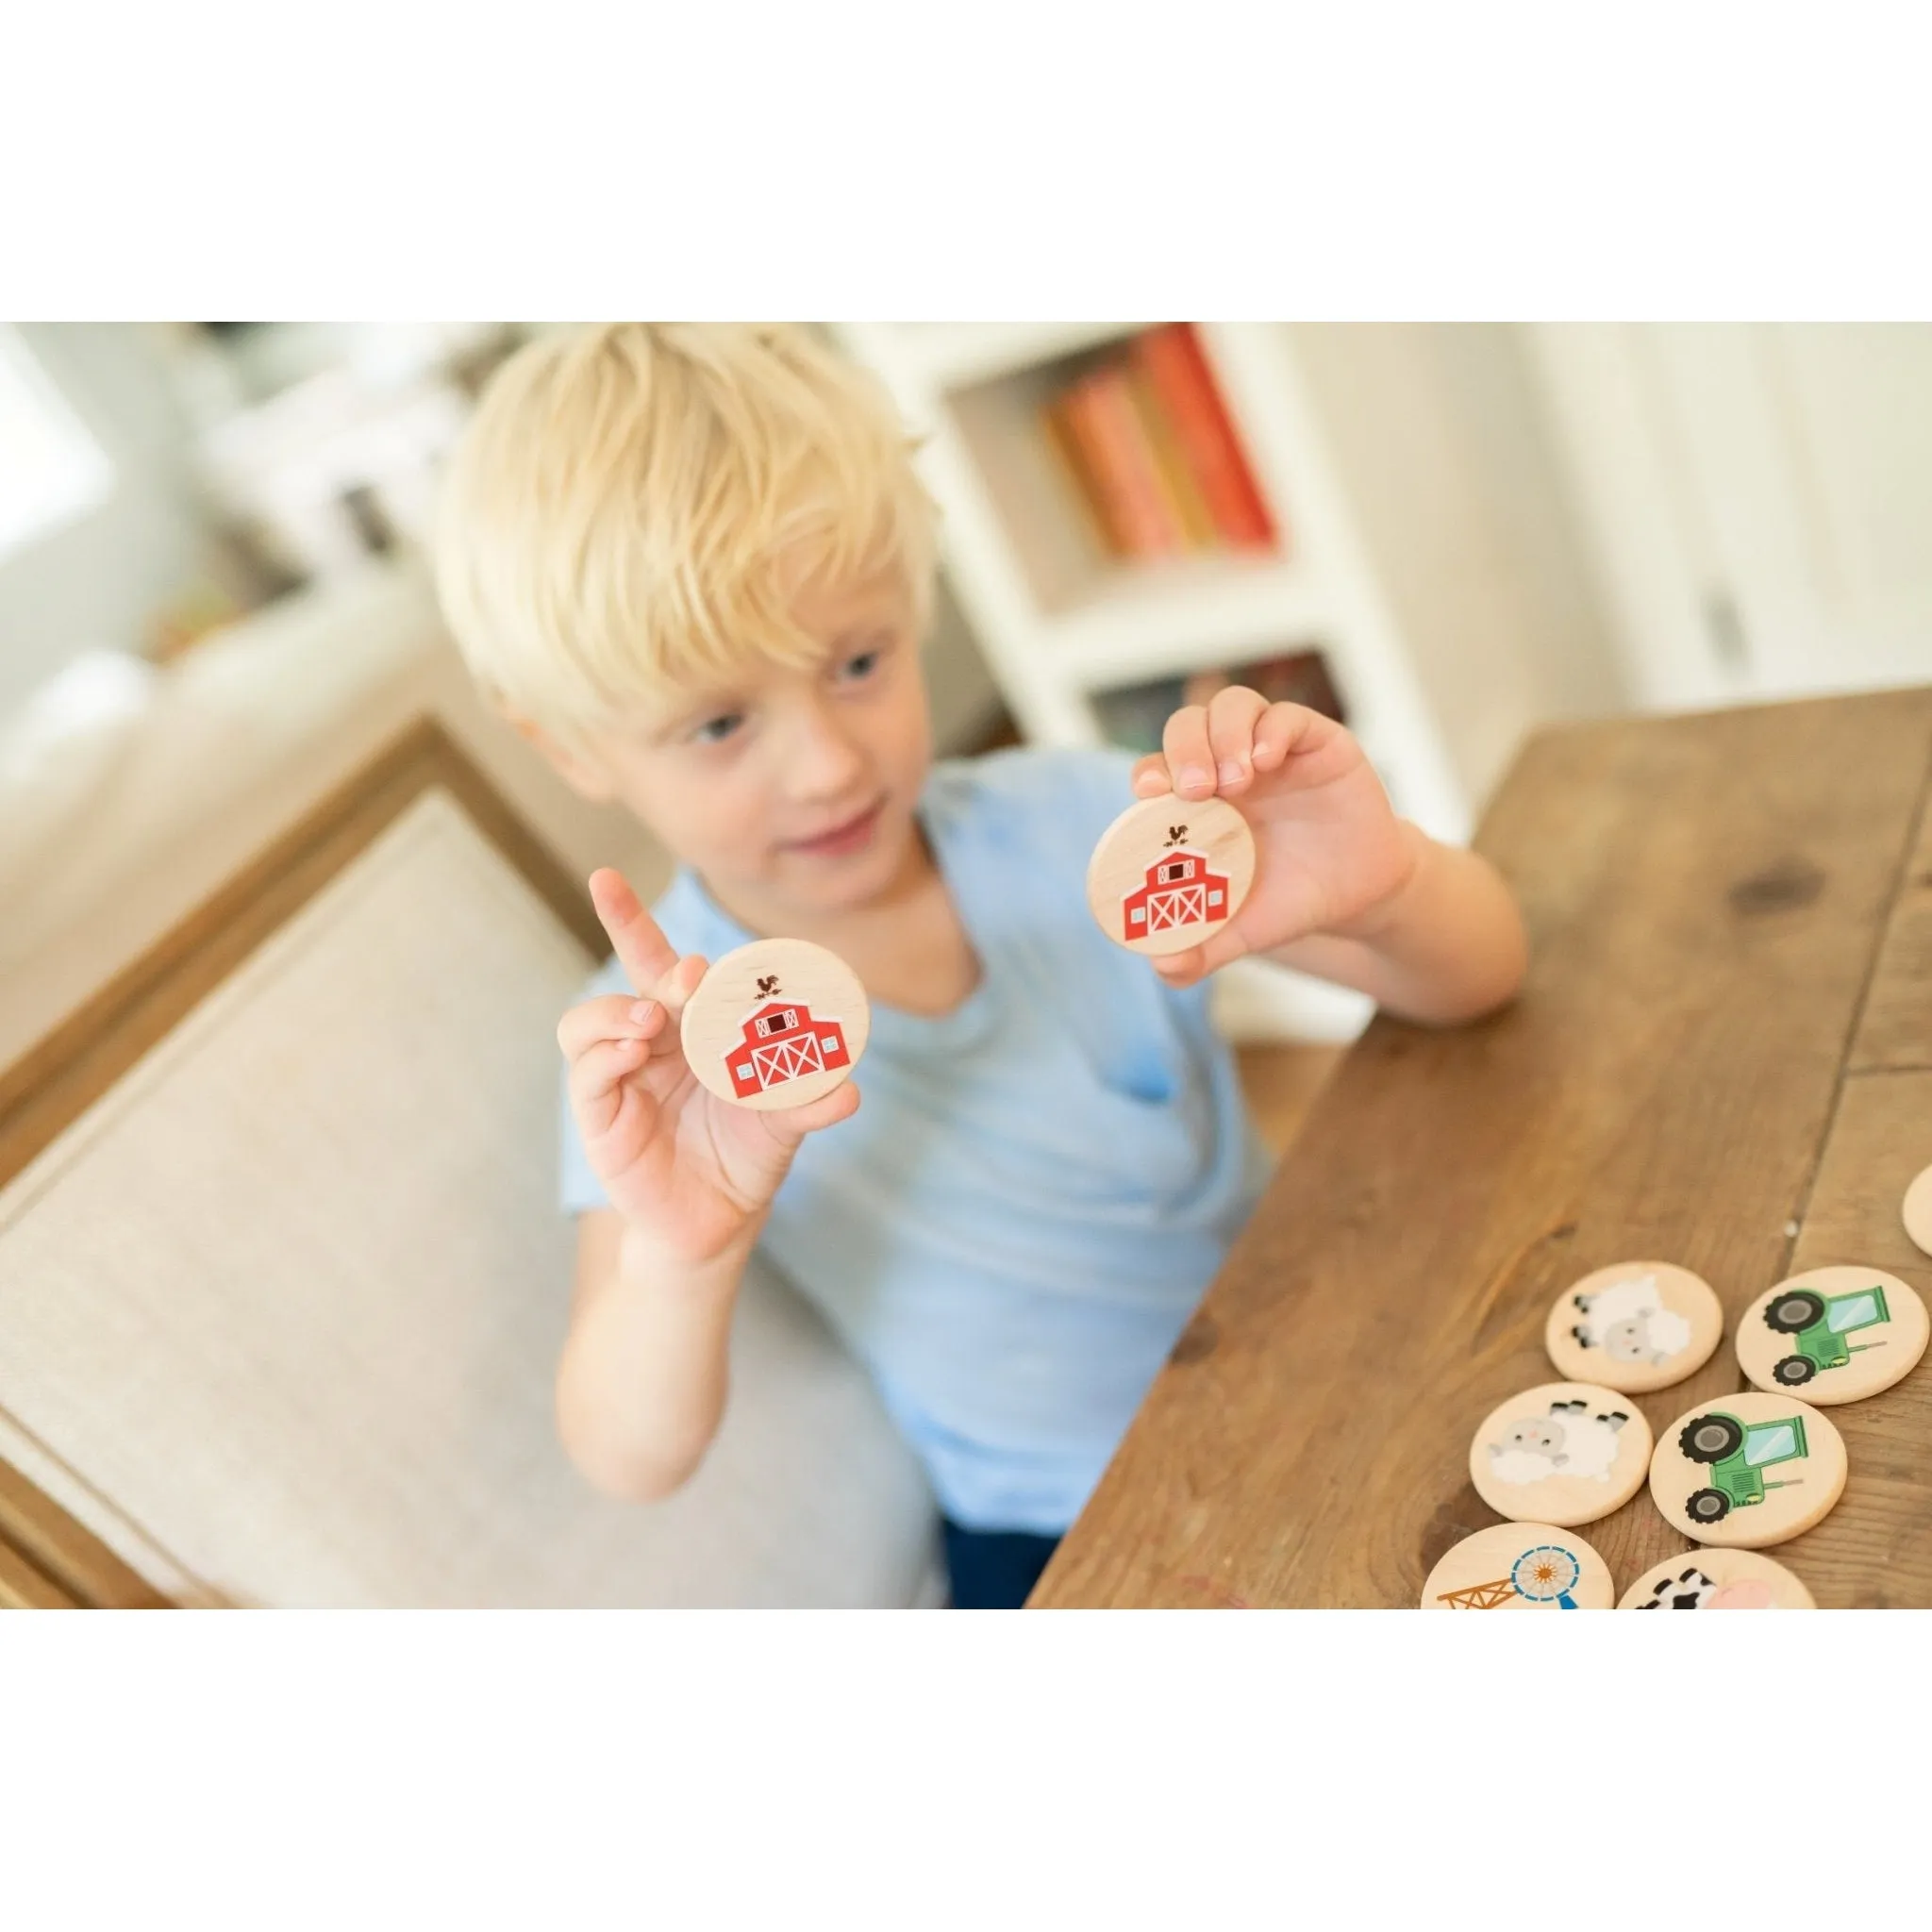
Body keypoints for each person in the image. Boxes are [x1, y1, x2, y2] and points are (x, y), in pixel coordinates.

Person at [432, 323, 1527, 1608]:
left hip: (1332, 1366)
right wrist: (679, 1258)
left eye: (857, 663)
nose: (830, 764)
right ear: (570, 747)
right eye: (722, 722)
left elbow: (1482, 978)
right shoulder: (656, 1056)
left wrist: (1388, 882)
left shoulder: (1085, 822)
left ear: (914, 607)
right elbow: (627, 1451)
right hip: (1060, 1534)